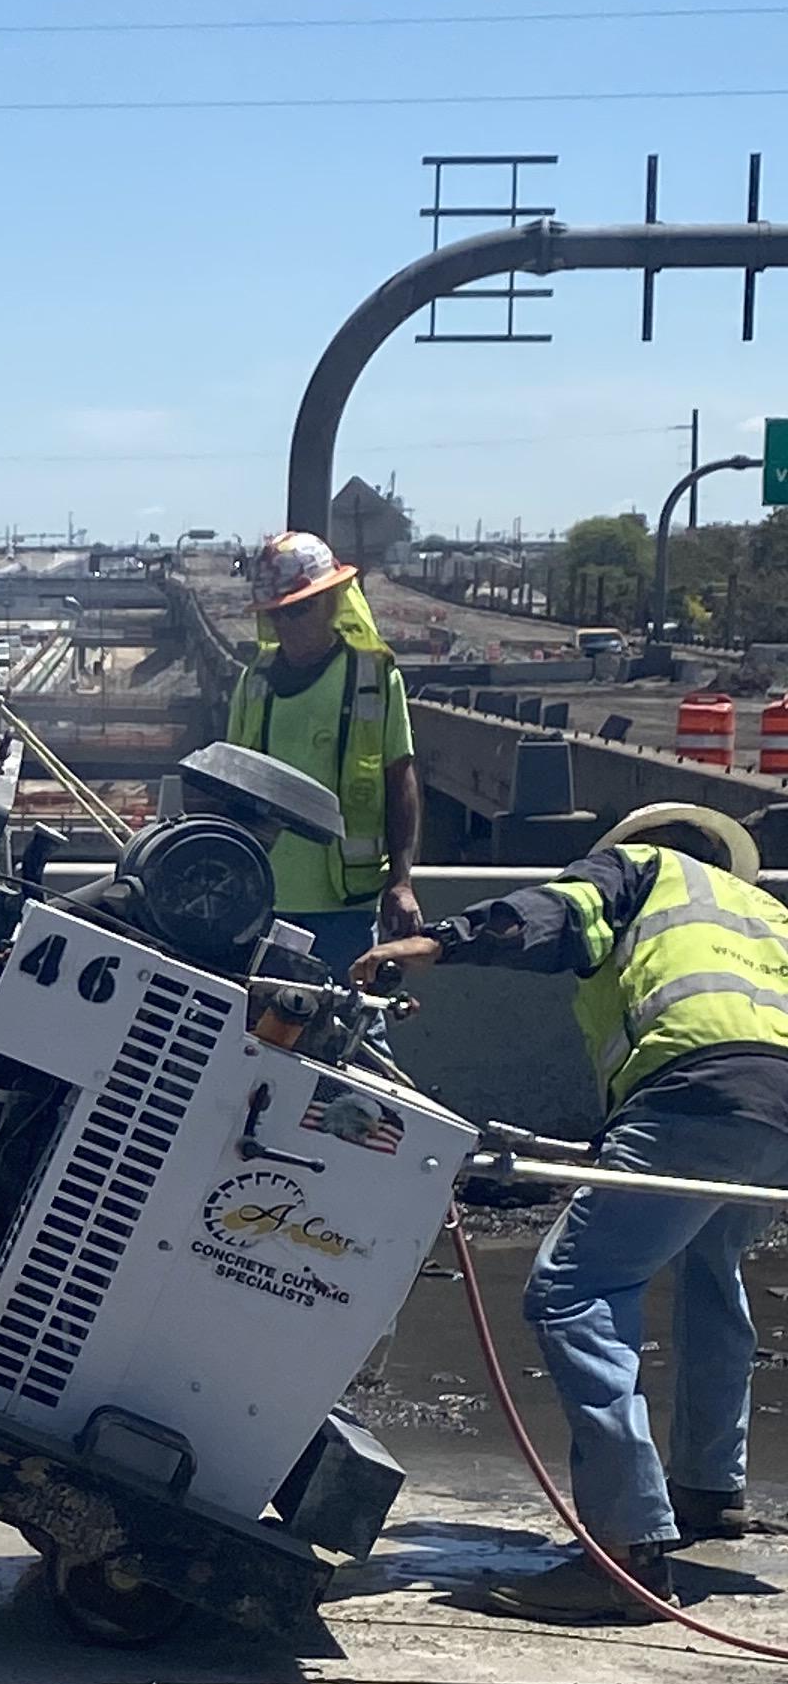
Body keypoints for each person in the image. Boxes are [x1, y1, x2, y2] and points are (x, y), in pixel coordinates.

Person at [358, 800, 788, 1623]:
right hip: (776, 1108)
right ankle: (709, 1488)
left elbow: (553, 914)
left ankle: (627, 1549)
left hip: (696, 1091)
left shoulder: (642, 872)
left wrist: (435, 943)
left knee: (573, 1290)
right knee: (710, 1261)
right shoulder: (767, 914)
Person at [228, 531, 423, 972]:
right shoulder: (254, 680)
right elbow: (231, 783)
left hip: (342, 905)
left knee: (348, 1027)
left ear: (333, 600)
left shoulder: (372, 677)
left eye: (301, 609)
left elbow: (400, 779)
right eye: (278, 614)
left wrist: (402, 882)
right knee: (262, 1031)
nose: (288, 624)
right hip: (261, 897)